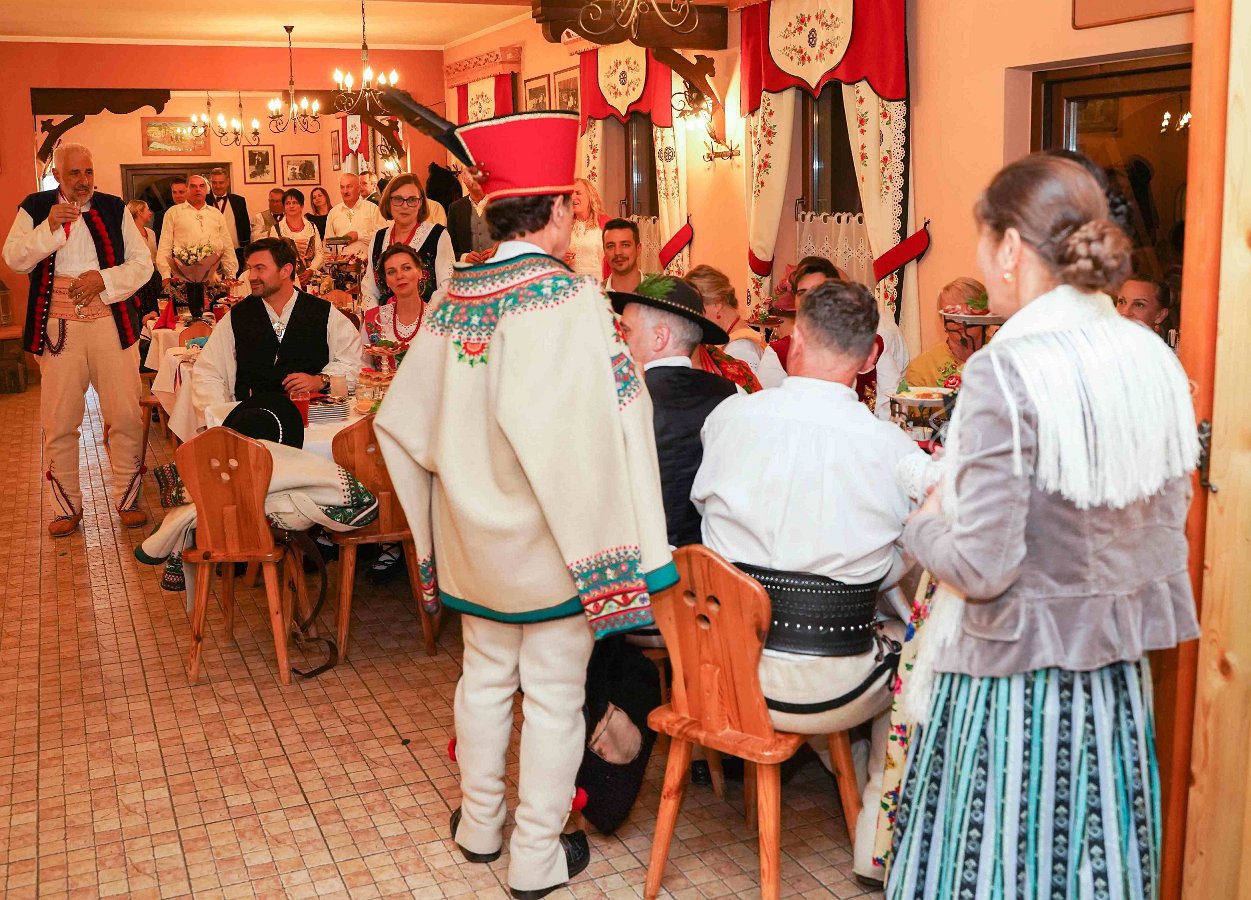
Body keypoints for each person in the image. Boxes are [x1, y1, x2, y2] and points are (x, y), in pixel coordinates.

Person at [373, 109, 674, 900]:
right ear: (555, 210)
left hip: (475, 540)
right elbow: (618, 414)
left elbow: (400, 420)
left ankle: (479, 825)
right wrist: (628, 542)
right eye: (573, 203)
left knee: (482, 680)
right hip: (551, 541)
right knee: (552, 696)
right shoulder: (569, 299)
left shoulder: (452, 295)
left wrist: (449, 505)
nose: (577, 216)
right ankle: (535, 854)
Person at [885, 154, 1199, 899]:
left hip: (1013, 677)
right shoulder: (1149, 355)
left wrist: (920, 525)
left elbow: (982, 565)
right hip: (1112, 674)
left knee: (993, 865)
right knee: (1090, 865)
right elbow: (1165, 523)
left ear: (1010, 248)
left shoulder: (1008, 366)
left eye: (982, 241)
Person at [692, 279, 920, 884]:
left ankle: (840, 760)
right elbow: (916, 546)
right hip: (832, 687)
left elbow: (704, 517)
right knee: (916, 651)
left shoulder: (730, 418)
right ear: (870, 359)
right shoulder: (892, 449)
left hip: (722, 674)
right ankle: (874, 836)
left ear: (792, 343)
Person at [2, 142, 154, 535]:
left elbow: (143, 264)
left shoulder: (114, 207)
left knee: (124, 414)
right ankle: (65, 507)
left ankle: (128, 498)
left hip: (111, 323)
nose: (84, 181)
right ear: (58, 175)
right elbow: (14, 258)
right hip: (59, 328)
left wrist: (103, 279)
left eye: (88, 172)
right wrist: (49, 227)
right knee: (60, 420)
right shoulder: (36, 207)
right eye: (74, 173)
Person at [612, 275, 734, 547]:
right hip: (707, 560)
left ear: (659, 337)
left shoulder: (620, 396)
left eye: (626, 331)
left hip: (637, 557)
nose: (619, 340)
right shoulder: (732, 394)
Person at [193, 237, 362, 411]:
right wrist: (223, 415)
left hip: (315, 416)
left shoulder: (323, 312)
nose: (251, 277)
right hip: (255, 418)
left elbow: (352, 361)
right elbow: (208, 372)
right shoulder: (236, 317)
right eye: (250, 268)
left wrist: (320, 380)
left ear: (285, 271)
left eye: (260, 268)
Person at [791, 256, 905, 416]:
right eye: (802, 293)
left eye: (821, 292)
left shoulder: (876, 335)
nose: (811, 300)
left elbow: (894, 400)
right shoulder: (780, 350)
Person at [361, 174, 453, 309]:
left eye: (412, 200)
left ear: (420, 203)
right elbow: (369, 288)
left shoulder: (438, 236)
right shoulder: (378, 238)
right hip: (383, 319)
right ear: (388, 202)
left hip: (428, 318)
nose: (405, 206)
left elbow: (447, 286)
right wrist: (377, 316)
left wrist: (421, 316)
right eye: (398, 199)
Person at [686, 264, 787, 388]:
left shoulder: (740, 349)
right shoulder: (738, 337)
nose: (692, 316)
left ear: (717, 304)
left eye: (695, 308)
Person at [903, 277, 989, 387]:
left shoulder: (1004, 354)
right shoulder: (921, 369)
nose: (959, 320)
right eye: (951, 313)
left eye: (968, 311)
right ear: (942, 319)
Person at [155, 173, 237, 284]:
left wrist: (231, 274)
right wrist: (165, 275)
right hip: (183, 276)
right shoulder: (173, 212)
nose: (198, 189)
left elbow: (227, 245)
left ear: (206, 189)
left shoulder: (216, 213)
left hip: (214, 276)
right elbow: (165, 245)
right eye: (193, 186)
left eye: (201, 186)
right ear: (187, 189)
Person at [362, 243, 428, 352]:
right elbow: (362, 361)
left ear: (420, 272)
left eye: (406, 268)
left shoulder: (441, 319)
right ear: (387, 281)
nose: (399, 276)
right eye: (391, 272)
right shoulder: (374, 319)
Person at [269, 189, 324, 285]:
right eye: (288, 203)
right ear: (284, 207)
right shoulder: (276, 229)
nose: (291, 206)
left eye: (294, 202)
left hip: (312, 279)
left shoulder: (311, 226)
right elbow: (274, 256)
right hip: (287, 280)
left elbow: (319, 253)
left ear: (302, 206)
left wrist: (311, 270)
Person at [325, 173, 385, 258]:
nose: (345, 191)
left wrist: (358, 235)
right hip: (341, 264)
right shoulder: (333, 212)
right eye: (342, 187)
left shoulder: (372, 209)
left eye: (349, 187)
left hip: (368, 264)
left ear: (358, 188)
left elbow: (382, 237)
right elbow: (327, 244)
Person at [447, 169, 495, 263]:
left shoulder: (502, 204)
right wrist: (464, 257)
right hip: (468, 270)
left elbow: (515, 243)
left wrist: (498, 253)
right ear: (463, 177)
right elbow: (449, 248)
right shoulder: (455, 208)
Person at [208, 167, 251, 273]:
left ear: (227, 182)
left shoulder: (239, 201)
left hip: (237, 253)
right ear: (210, 183)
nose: (218, 186)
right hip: (210, 255)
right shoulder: (205, 201)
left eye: (221, 182)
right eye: (214, 183)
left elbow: (245, 228)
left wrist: (247, 255)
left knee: (237, 281)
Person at [564, 177, 608, 277]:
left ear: (590, 196)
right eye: (570, 194)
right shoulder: (564, 226)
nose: (572, 197)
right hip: (572, 282)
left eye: (578, 193)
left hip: (598, 282)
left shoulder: (605, 224)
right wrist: (561, 258)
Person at [602, 218, 644, 293]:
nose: (618, 252)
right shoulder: (594, 295)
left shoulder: (662, 293)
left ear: (638, 249)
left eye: (625, 245)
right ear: (604, 250)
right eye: (611, 246)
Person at [153, 175, 188, 241]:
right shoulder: (161, 215)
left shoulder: (197, 211)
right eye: (174, 192)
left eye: (181, 192)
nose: (177, 196)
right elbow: (159, 240)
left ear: (188, 192)